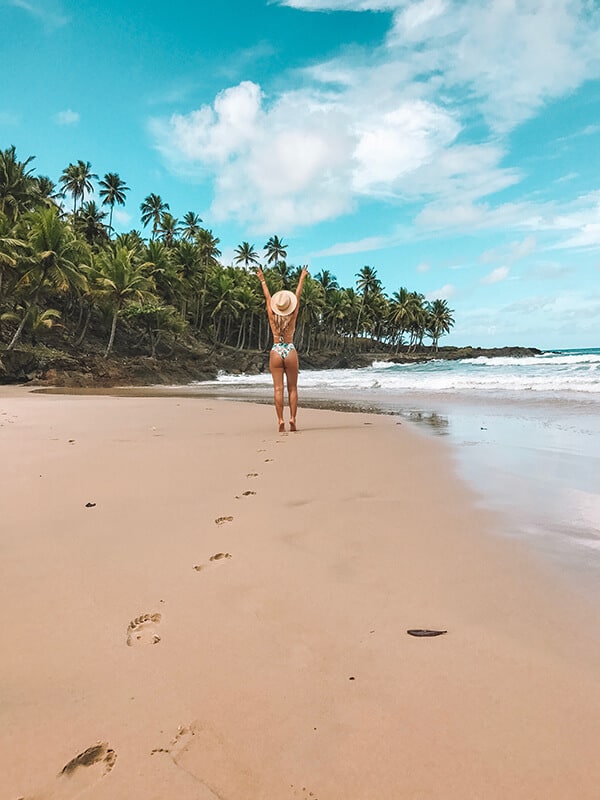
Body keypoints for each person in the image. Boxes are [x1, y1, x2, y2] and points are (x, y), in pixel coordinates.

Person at [257, 265, 308, 432]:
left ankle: (280, 420)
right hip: (290, 349)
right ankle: (293, 419)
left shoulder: (272, 316)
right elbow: (298, 296)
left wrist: (263, 280)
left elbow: (267, 298)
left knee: (278, 389)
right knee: (292, 388)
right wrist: (301, 278)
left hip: (276, 349)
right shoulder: (292, 317)